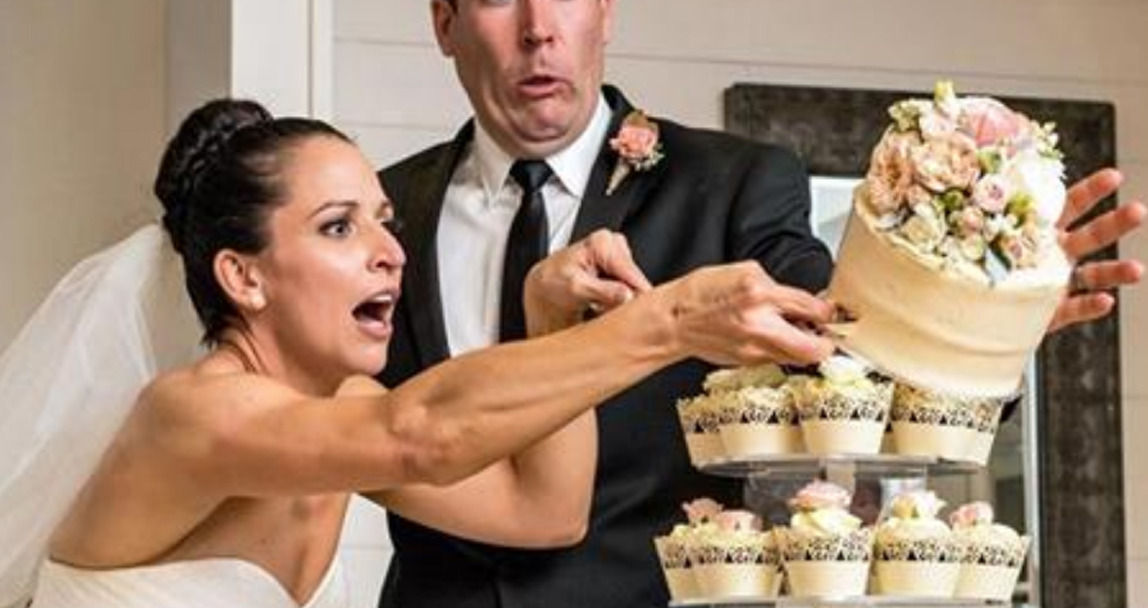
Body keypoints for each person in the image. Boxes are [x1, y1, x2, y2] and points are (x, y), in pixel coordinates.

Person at [374, 0, 1148, 607]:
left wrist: (985, 314)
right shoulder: (383, 214)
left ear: (605, 8)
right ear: (445, 23)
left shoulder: (731, 183)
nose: (539, 29)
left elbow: (843, 347)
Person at [0, 98, 838, 608]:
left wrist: (548, 320)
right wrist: (671, 319)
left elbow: (545, 512)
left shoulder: (337, 412)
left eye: (384, 222)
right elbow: (421, 432)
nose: (389, 253)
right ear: (242, 277)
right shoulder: (193, 415)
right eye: (339, 227)